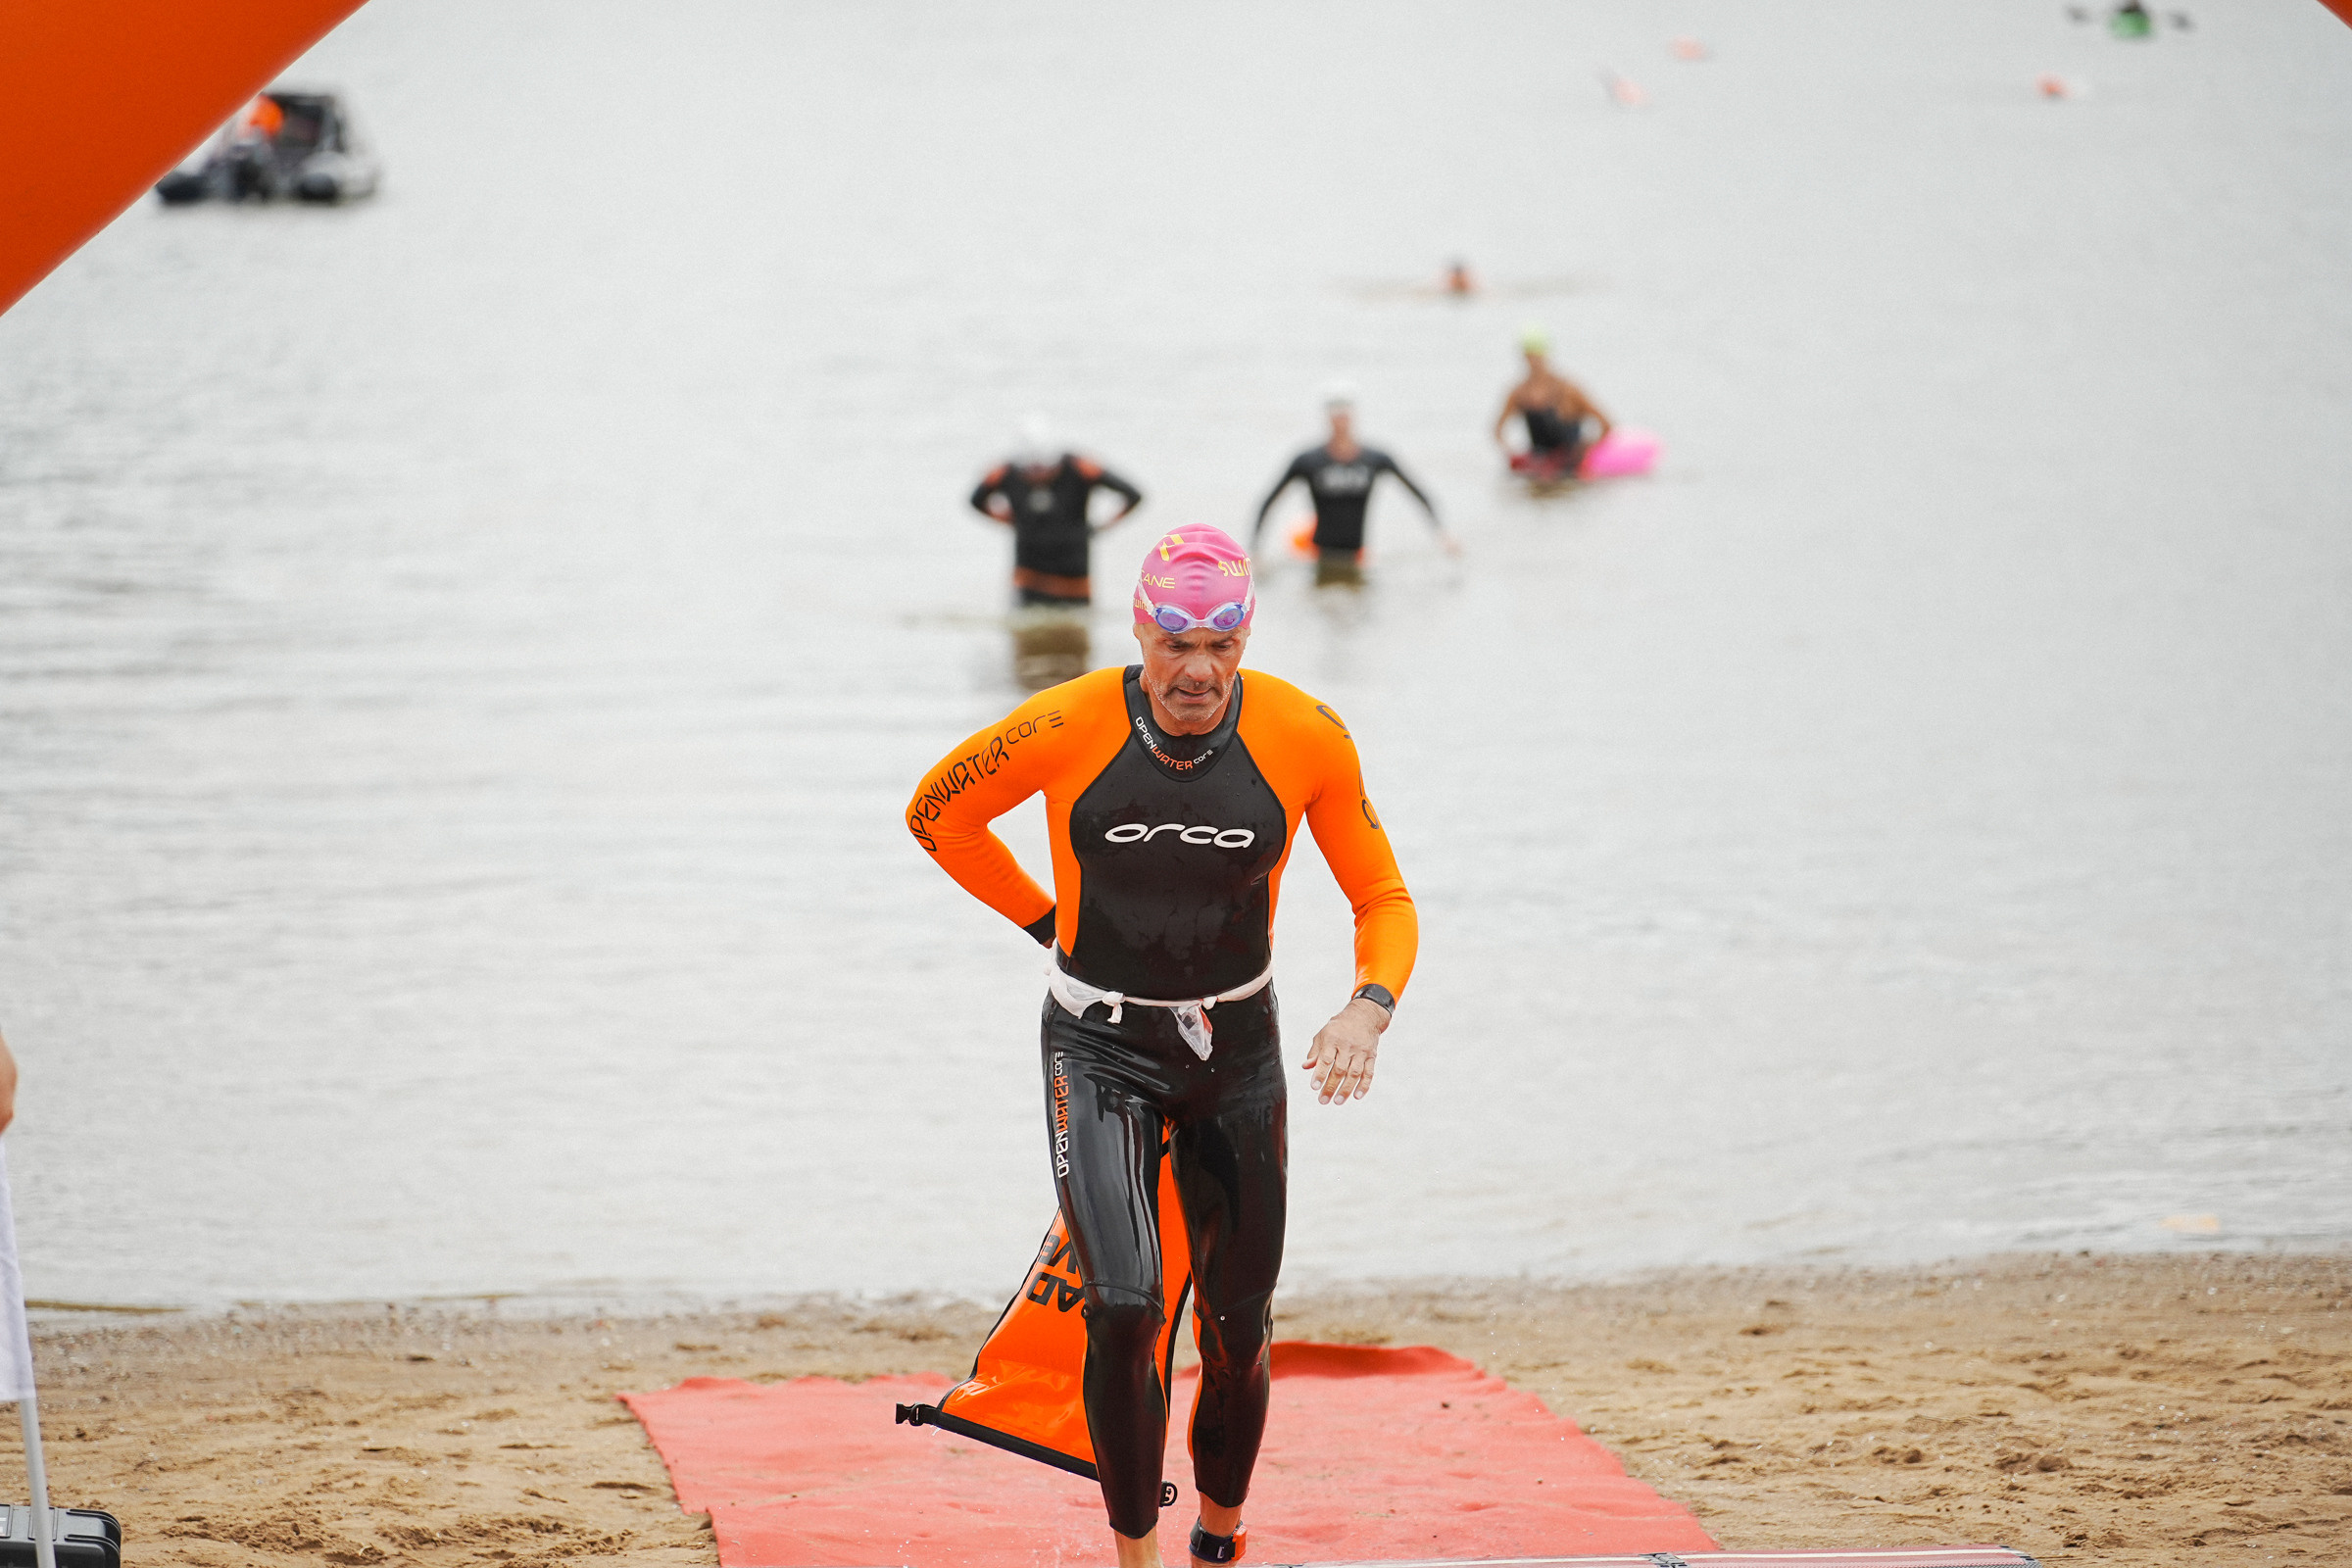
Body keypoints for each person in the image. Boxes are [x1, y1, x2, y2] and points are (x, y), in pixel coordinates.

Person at [905, 527, 1418, 1568]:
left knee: (1238, 1322)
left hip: (1239, 1051)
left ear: (1245, 637)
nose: (1197, 668)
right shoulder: (1065, 721)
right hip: (1098, 1047)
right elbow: (937, 814)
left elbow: (1382, 895)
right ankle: (1135, 1553)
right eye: (1175, 641)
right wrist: (1047, 924)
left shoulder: (1307, 733)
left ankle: (1218, 1540)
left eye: (1221, 642)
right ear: (1138, 628)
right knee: (1126, 1305)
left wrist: (1366, 1008)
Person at [1250, 386, 1455, 587]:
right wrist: (1255, 551)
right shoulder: (1309, 461)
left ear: (1353, 417)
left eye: (1345, 415)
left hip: (1358, 553)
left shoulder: (1374, 459)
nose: (1341, 421)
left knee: (1359, 604)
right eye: (1336, 415)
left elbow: (1418, 492)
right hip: (1321, 555)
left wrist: (1443, 535)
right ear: (1328, 419)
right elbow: (1268, 501)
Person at [969, 416, 1146, 608]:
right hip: (1028, 574)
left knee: (1077, 631)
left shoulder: (1082, 467)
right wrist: (1007, 520)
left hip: (1074, 575)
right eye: (1030, 471)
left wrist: (1103, 526)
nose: (1037, 475)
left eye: (1043, 469)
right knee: (1024, 631)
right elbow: (975, 501)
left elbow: (1133, 495)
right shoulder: (1004, 472)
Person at [1494, 327, 1614, 482]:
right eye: (1529, 356)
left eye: (1537, 355)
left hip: (1572, 467)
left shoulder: (1569, 390)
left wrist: (1586, 448)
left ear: (1545, 354)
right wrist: (1513, 453)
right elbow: (1498, 431)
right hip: (1541, 466)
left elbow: (1606, 425)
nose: (1533, 361)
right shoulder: (1518, 393)